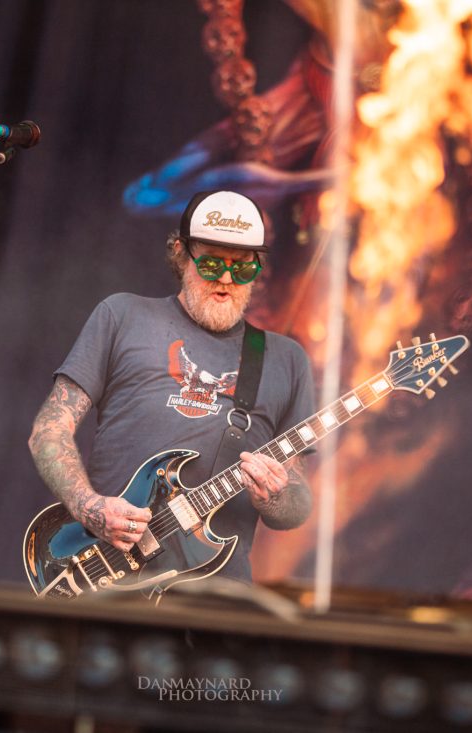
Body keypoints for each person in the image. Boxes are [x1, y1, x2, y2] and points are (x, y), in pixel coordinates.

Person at [28, 190, 315, 582]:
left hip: (213, 591)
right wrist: (91, 509)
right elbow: (49, 431)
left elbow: (297, 505)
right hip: (102, 573)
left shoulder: (286, 359)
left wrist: (276, 496)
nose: (226, 280)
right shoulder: (122, 315)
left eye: (242, 268)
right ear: (181, 253)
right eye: (212, 264)